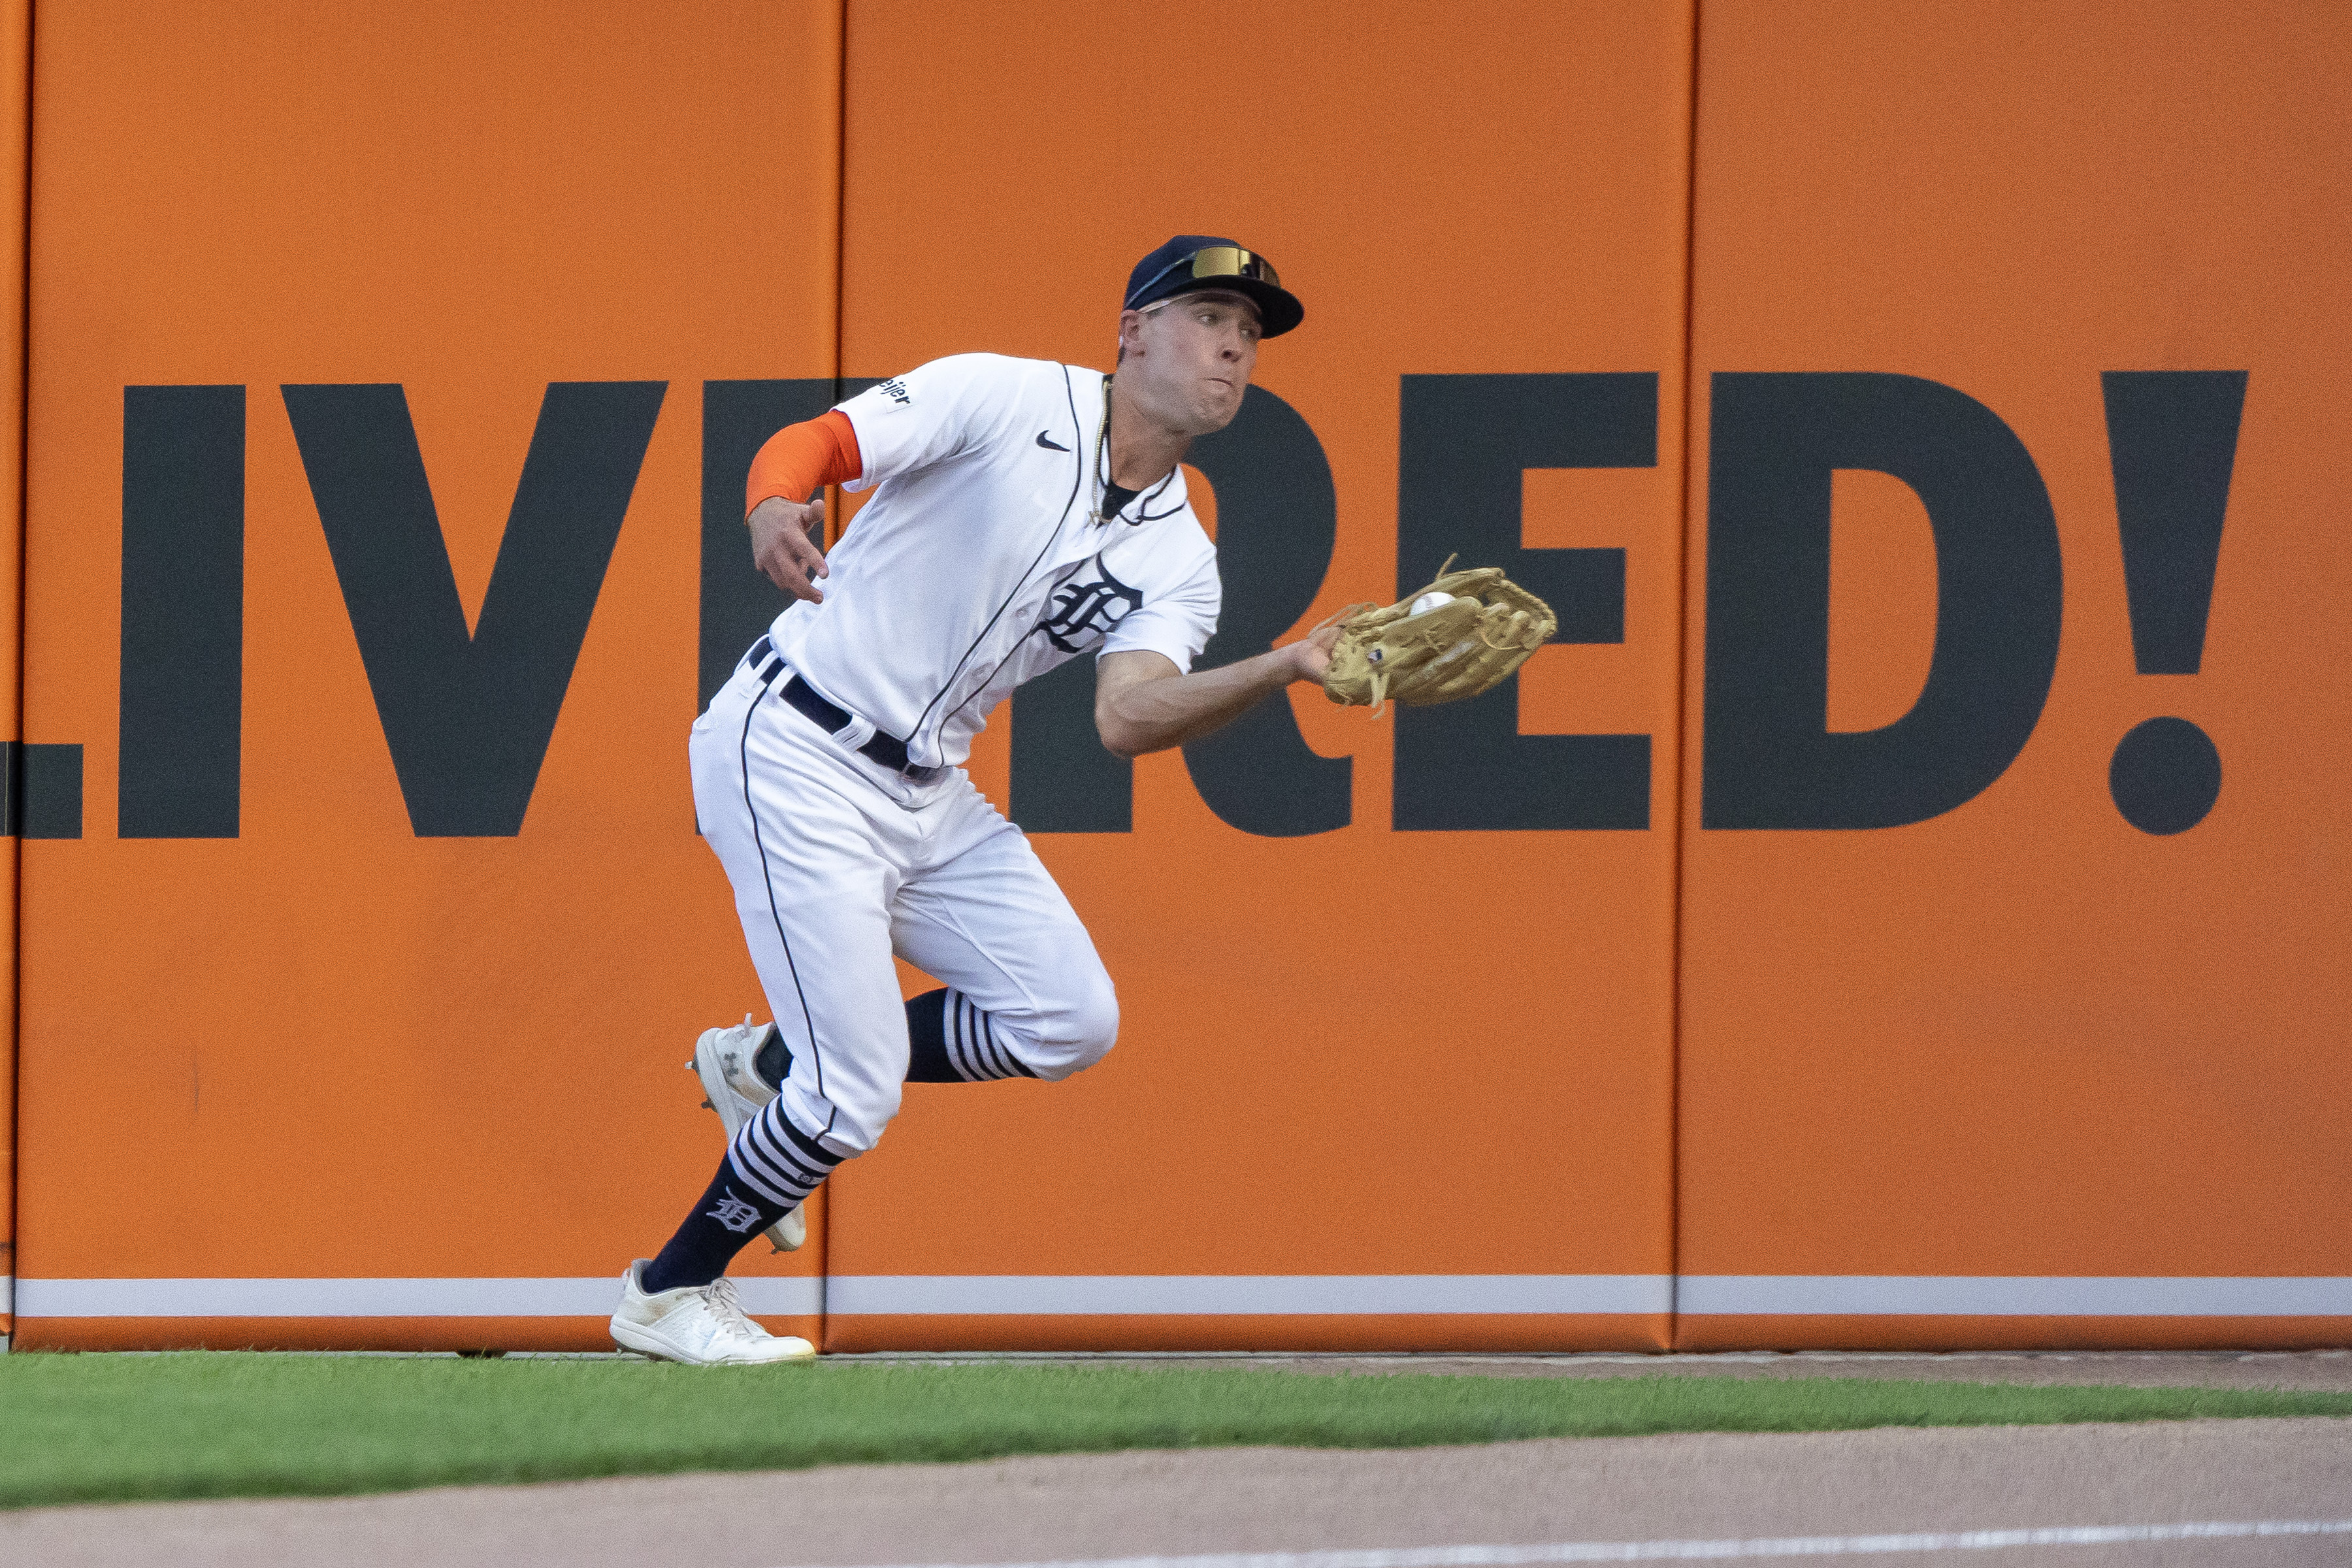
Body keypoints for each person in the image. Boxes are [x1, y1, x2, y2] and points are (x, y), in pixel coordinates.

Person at [609, 237, 1333, 1364]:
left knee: (1069, 1018)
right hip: (794, 744)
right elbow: (822, 442)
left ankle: (763, 1072)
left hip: (929, 790)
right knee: (855, 1097)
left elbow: (1128, 718)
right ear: (1133, 329)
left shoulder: (1183, 555)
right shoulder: (1004, 395)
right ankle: (666, 1292)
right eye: (1207, 317)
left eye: (1249, 333)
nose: (1233, 345)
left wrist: (1284, 665)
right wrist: (770, 507)